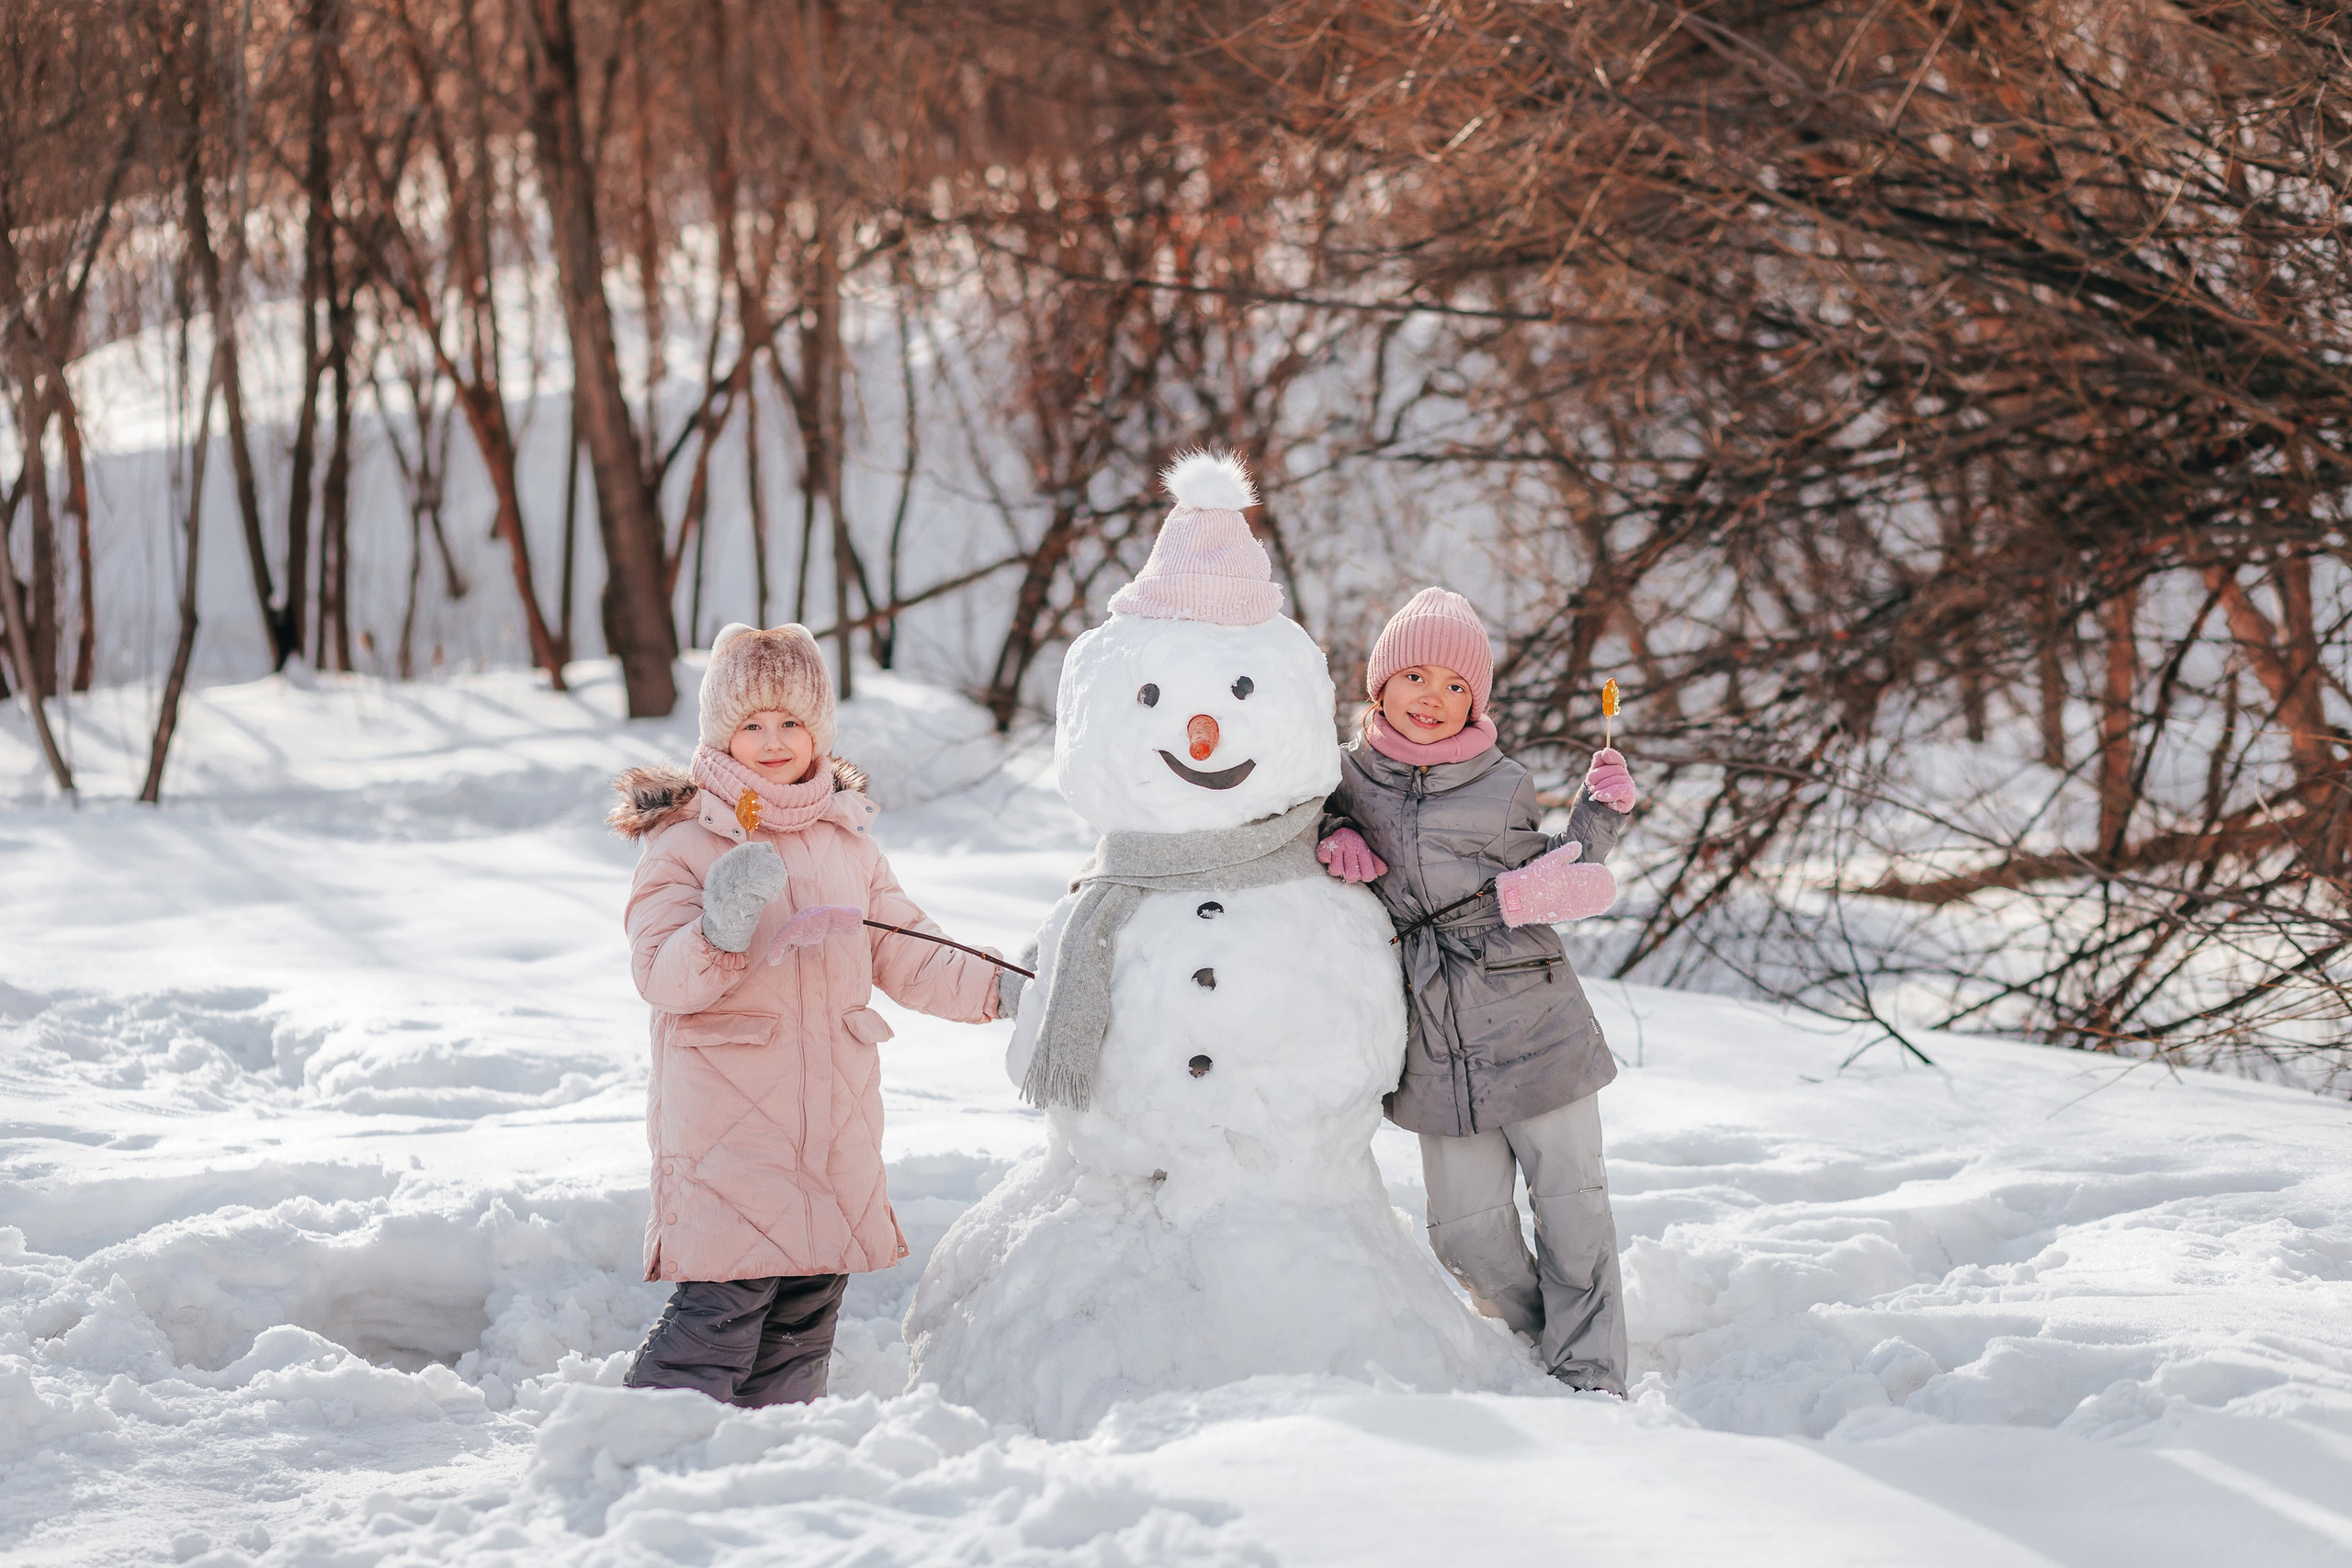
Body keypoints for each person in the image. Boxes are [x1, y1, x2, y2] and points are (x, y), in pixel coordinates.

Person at [606, 622, 1007, 1406]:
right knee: (728, 1298)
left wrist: (1003, 988)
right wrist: (718, 927)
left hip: (833, 1116)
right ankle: (648, 1435)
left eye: (791, 721)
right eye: (752, 724)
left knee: (807, 1299)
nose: (774, 740)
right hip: (730, 1121)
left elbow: (910, 948)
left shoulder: (846, 842)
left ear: (819, 727)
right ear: (721, 733)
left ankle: (777, 1447)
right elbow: (660, 974)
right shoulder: (686, 841)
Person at [1317, 587, 1638, 1394]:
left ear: (1477, 701)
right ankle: (1539, 1338)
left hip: (1533, 1018)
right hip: (1431, 1036)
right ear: (1378, 684)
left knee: (1573, 1212)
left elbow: (1564, 862)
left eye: (1457, 686)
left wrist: (1600, 817)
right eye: (1416, 675)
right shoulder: (1341, 777)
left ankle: (1590, 1371)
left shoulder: (1504, 783)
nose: (1435, 697)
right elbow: (1287, 823)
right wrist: (1334, 830)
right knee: (1467, 1235)